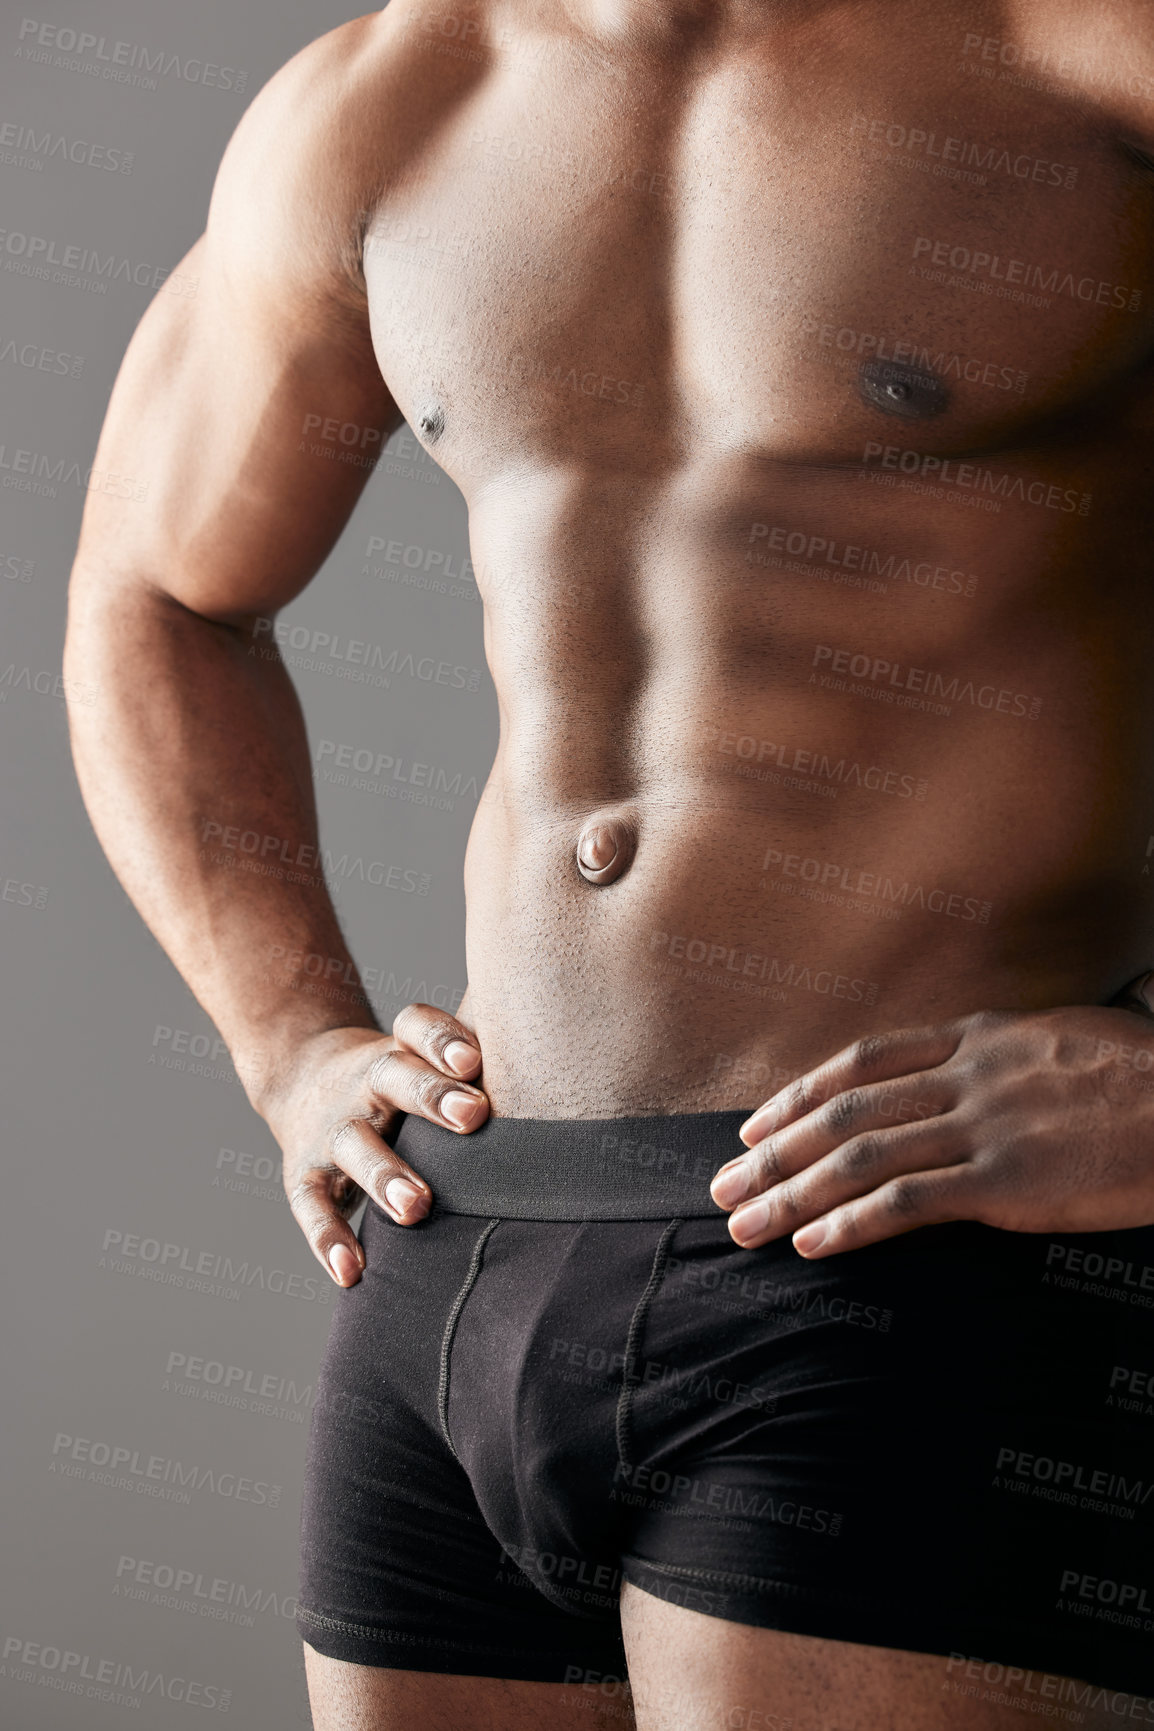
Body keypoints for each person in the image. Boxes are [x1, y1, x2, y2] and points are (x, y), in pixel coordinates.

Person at [64, 3, 1154, 1726]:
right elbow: (157, 592)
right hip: (462, 1240)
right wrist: (290, 1044)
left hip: (901, 1240)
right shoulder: (390, 99)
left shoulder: (1082, 61)